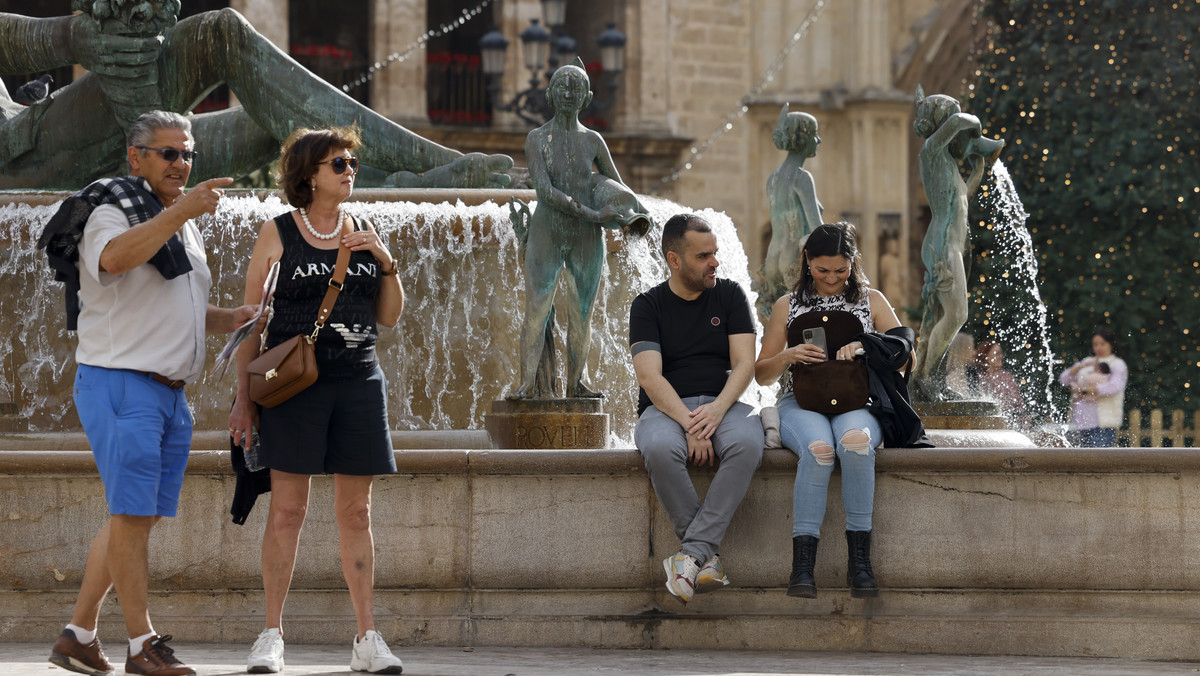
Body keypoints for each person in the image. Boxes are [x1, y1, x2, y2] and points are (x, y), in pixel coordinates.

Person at [44, 110, 254, 676]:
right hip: (121, 383)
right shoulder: (111, 208)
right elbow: (113, 260)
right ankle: (142, 646)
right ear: (135, 157)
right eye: (169, 153)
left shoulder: (178, 222)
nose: (181, 164)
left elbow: (176, 308)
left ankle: (79, 634)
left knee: (133, 519)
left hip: (167, 394)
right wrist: (182, 211)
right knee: (131, 516)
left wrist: (232, 316)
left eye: (188, 154)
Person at [227, 127, 405, 674]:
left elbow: (389, 316)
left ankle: (367, 638)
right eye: (338, 163)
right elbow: (251, 324)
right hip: (294, 388)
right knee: (287, 511)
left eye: (351, 161)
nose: (349, 169)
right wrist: (243, 401)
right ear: (308, 175)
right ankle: (271, 635)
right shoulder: (278, 233)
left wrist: (385, 258)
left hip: (358, 383)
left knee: (357, 511)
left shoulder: (365, 231)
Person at [0, 5, 512, 189]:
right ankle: (432, 160)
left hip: (66, 139)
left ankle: (403, 183)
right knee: (219, 34)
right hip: (26, 153)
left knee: (273, 124)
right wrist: (72, 38)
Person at [754, 222, 914, 600]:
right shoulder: (787, 305)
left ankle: (860, 564)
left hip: (858, 401)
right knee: (820, 451)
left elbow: (906, 357)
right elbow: (761, 374)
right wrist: (788, 355)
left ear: (853, 263)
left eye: (841, 271)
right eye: (822, 270)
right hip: (802, 402)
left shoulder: (871, 300)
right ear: (807, 260)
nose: (831, 279)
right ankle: (802, 568)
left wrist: (864, 346)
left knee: (856, 445)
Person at [629, 213, 764, 604]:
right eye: (704, 256)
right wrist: (691, 424)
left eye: (715, 253)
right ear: (675, 260)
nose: (714, 263)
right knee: (658, 448)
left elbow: (744, 364)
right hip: (666, 408)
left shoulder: (731, 295)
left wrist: (717, 411)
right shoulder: (647, 306)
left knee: (748, 444)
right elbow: (650, 378)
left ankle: (690, 556)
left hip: (725, 403)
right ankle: (706, 557)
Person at [511, 61, 649, 399]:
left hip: (588, 236)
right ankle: (527, 384)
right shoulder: (537, 138)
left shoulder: (594, 141)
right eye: (562, 85)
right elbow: (545, 191)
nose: (568, 93)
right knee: (536, 309)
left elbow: (616, 183)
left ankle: (576, 385)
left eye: (576, 87)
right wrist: (593, 213)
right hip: (549, 231)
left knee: (582, 314)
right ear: (549, 94)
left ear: (586, 97)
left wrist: (633, 211)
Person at [910, 85, 1004, 397]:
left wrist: (978, 168)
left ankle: (928, 379)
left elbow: (962, 198)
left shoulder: (948, 166)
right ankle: (926, 378)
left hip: (951, 247)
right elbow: (957, 123)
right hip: (941, 246)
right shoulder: (931, 152)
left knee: (940, 317)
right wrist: (970, 121)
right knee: (956, 315)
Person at [760, 103, 823, 311]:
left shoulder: (773, 179)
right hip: (793, 258)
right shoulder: (801, 177)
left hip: (772, 258)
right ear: (803, 139)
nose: (818, 140)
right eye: (814, 135)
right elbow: (817, 230)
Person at [1058, 327, 1128, 447]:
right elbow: (1064, 379)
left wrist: (1088, 390)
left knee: (1099, 459)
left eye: (1102, 344)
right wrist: (1080, 366)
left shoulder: (1117, 364)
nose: (1098, 348)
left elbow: (1114, 386)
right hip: (1080, 422)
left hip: (1102, 422)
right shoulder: (1087, 362)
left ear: (1111, 344)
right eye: (1095, 344)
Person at [975, 340, 1029, 428]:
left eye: (1001, 353)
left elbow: (1019, 405)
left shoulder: (1006, 376)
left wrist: (1025, 425)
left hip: (1011, 424)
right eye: (997, 353)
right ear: (986, 355)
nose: (1001, 356)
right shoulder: (978, 377)